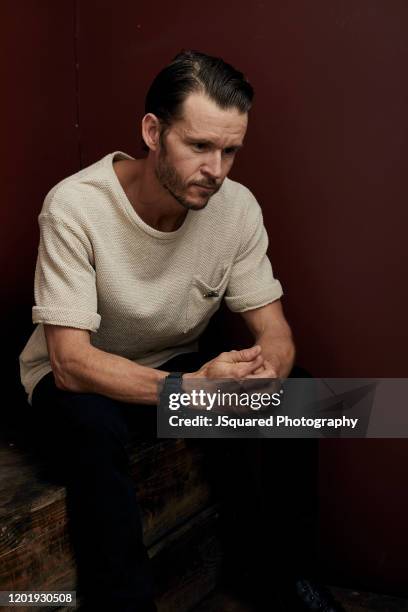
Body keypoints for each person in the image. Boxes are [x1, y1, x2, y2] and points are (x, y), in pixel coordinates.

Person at [19, 50, 342, 611]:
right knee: (94, 429)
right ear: (153, 131)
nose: (215, 170)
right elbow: (71, 362)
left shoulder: (235, 207)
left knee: (302, 397)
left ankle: (284, 579)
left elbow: (277, 333)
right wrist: (194, 390)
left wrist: (265, 375)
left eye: (230, 150)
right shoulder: (74, 206)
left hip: (175, 369)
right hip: (77, 380)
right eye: (198, 146)